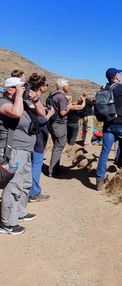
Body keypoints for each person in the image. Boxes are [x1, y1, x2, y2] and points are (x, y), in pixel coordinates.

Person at [0, 77, 45, 235]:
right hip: (14, 152)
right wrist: (18, 95)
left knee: (24, 183)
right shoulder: (3, 103)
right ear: (9, 89)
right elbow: (16, 113)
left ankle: (20, 212)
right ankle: (7, 223)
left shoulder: (23, 102)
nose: (24, 90)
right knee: (13, 186)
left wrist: (36, 99)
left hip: (26, 151)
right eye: (20, 88)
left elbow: (42, 114)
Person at [27, 73, 55, 203]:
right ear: (41, 86)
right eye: (46, 85)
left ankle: (29, 190)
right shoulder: (36, 99)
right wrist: (49, 114)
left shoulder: (28, 98)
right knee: (37, 163)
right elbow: (41, 119)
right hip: (38, 135)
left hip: (31, 134)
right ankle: (34, 192)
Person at [47, 78, 70, 177]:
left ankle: (55, 167)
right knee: (58, 147)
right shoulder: (61, 97)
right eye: (68, 85)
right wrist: (70, 107)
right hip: (59, 124)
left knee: (56, 145)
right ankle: (53, 170)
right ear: (64, 87)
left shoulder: (52, 95)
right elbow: (63, 112)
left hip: (52, 123)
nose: (69, 87)